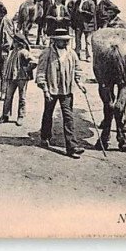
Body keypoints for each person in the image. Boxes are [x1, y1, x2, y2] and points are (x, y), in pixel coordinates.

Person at [35, 27, 86, 159]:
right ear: (55, 41)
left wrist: (80, 83)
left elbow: (77, 69)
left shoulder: (71, 53)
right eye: (61, 41)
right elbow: (40, 72)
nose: (64, 43)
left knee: (68, 117)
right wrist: (45, 89)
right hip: (51, 90)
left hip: (66, 90)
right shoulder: (46, 53)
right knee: (48, 114)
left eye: (66, 40)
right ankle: (45, 136)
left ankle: (72, 147)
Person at [0, 33, 35, 126]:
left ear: (19, 43)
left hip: (21, 78)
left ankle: (21, 116)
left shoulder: (24, 52)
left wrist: (27, 69)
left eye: (15, 42)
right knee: (8, 96)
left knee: (22, 97)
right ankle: (5, 115)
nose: (13, 44)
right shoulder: (13, 51)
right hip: (12, 77)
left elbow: (34, 61)